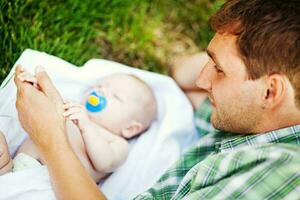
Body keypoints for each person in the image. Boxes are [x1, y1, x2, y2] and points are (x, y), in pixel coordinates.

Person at [5, 0, 300, 199]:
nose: (202, 80)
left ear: (271, 92)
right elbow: (182, 74)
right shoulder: (254, 116)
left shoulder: (281, 173)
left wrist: (51, 137)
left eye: (219, 70)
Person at [1, 69, 157, 183]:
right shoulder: (72, 106)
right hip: (17, 166)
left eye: (116, 96)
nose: (101, 91)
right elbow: (46, 109)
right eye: (101, 85)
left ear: (130, 129)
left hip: (52, 187)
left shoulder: (117, 144)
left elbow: (104, 163)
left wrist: (86, 126)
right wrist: (37, 87)